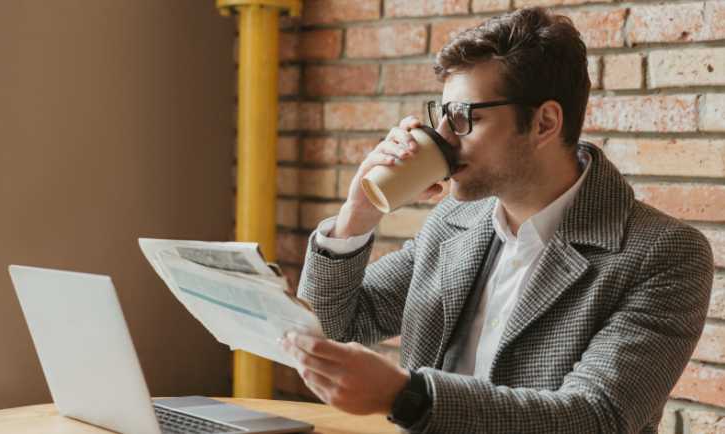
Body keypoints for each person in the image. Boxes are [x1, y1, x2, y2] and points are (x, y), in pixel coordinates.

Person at [276, 5, 714, 434]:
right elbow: (336, 327)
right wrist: (358, 214)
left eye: (466, 117)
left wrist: (406, 397)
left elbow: (594, 416)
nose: (445, 139)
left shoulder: (665, 255)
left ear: (544, 123)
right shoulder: (455, 220)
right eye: (442, 115)